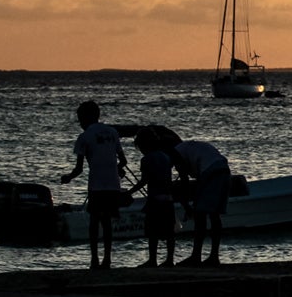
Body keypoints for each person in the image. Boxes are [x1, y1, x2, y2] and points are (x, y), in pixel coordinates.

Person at [60, 99, 128, 270]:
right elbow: (123, 160)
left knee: (94, 221)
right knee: (107, 222)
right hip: (113, 184)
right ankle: (107, 259)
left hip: (97, 185)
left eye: (80, 118)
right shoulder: (112, 132)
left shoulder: (84, 137)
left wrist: (68, 177)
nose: (79, 122)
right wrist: (118, 169)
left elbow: (79, 169)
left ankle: (94, 260)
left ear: (86, 117)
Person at [172, 137, 230, 266]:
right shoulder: (188, 147)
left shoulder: (176, 152)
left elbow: (184, 181)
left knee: (200, 216)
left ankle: (196, 256)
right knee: (214, 215)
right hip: (224, 169)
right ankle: (213, 256)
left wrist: (186, 205)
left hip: (211, 172)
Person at [129, 130, 177, 268]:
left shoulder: (146, 160)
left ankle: (152, 260)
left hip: (155, 199)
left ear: (145, 145)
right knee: (169, 232)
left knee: (152, 231)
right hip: (168, 198)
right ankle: (169, 260)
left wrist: (130, 192)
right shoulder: (166, 157)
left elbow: (144, 180)